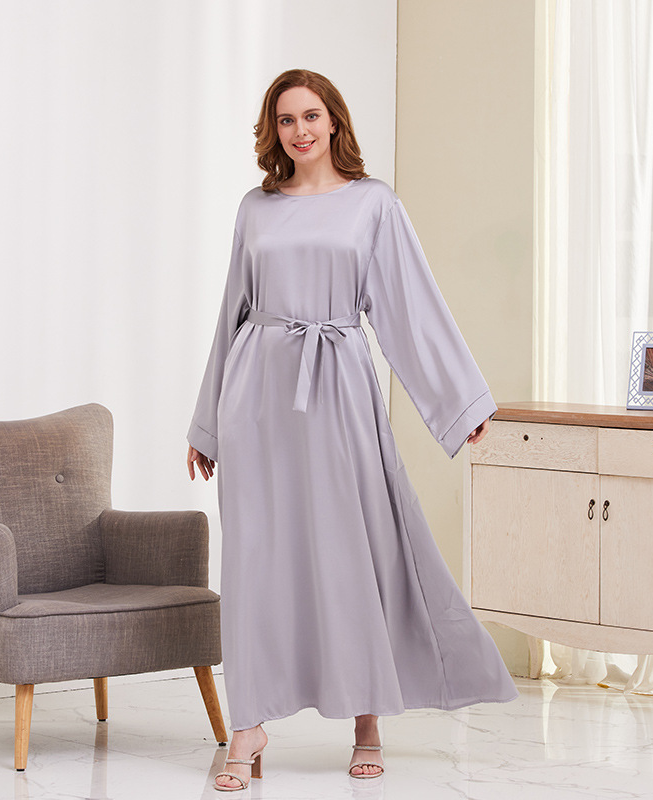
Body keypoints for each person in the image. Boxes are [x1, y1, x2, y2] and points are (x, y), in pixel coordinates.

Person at [187, 68, 518, 792]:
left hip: (337, 388)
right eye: (285, 120)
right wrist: (207, 424)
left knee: (351, 551)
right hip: (256, 398)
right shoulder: (256, 208)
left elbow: (410, 307)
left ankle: (367, 718)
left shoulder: (373, 204)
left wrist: (461, 403)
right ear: (272, 131)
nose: (299, 131)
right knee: (255, 561)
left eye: (311, 116)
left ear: (334, 121)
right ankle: (249, 725)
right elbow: (230, 312)